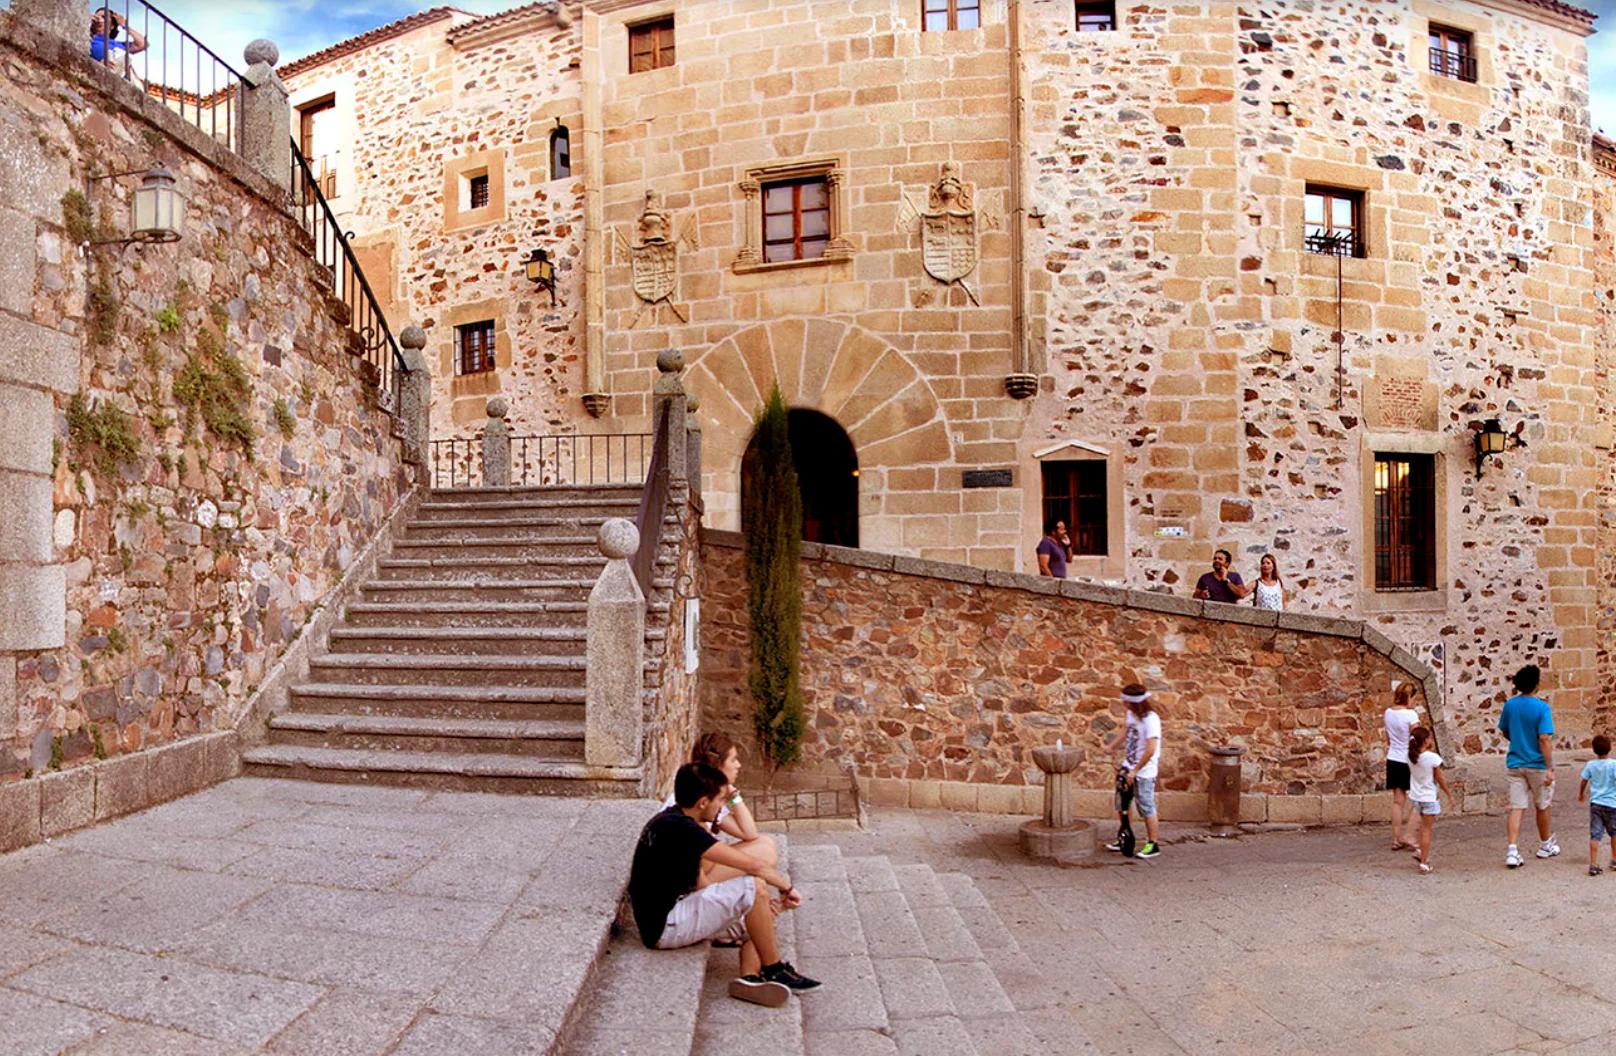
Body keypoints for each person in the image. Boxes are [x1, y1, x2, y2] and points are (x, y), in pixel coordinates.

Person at [628, 762, 821, 1005]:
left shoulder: (674, 819)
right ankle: (774, 969)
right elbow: (753, 866)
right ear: (703, 802)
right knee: (754, 886)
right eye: (719, 800)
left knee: (761, 916)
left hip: (679, 910)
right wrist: (787, 888)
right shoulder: (681, 829)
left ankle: (750, 979)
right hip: (666, 926)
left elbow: (701, 885)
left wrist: (769, 906)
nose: (721, 806)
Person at [662, 732, 778, 884]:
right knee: (765, 853)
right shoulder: (696, 801)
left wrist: (734, 796)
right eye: (733, 760)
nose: (738, 765)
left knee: (765, 843)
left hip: (702, 869)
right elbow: (697, 862)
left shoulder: (708, 793)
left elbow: (749, 833)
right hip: (685, 881)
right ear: (719, 766)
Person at [1499, 664, 1557, 869]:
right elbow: (1544, 738)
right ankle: (1545, 844)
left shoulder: (1510, 705)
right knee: (1542, 805)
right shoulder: (1542, 708)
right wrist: (1550, 767)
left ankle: (1512, 850)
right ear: (1536, 684)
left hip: (1516, 762)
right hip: (1537, 764)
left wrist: (1518, 741)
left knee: (1517, 807)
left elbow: (1505, 731)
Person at [1104, 683, 1162, 859]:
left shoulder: (1151, 719)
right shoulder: (1131, 714)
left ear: (1134, 702)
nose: (1123, 704)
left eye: (1126, 701)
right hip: (1128, 766)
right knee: (1123, 803)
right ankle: (1125, 836)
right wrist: (1111, 746)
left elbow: (1151, 749)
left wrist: (1135, 771)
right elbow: (1126, 730)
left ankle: (1153, 844)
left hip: (1144, 772)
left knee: (1146, 806)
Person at [1406, 726, 1449, 874]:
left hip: (1416, 797)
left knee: (1422, 827)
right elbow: (1439, 778)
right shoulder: (1432, 758)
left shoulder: (1410, 756)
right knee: (1426, 830)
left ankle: (1420, 851)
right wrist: (1448, 794)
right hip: (1429, 797)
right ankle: (1424, 862)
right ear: (1425, 741)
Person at [1384, 683, 1421, 851]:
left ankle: (1396, 838)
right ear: (1409, 697)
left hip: (1393, 758)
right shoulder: (1411, 715)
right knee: (1419, 798)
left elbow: (1388, 739)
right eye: (1414, 698)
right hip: (1408, 760)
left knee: (1398, 802)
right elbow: (1418, 739)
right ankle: (1410, 835)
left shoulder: (1388, 713)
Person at [1579, 734, 1616, 876]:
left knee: (1595, 834)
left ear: (1594, 750)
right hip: (1612, 804)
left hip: (1596, 804)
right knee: (1614, 833)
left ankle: (1593, 864)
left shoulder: (1590, 765)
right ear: (1610, 748)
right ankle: (1615, 859)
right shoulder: (1613, 764)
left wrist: (1581, 794)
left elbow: (1584, 780)